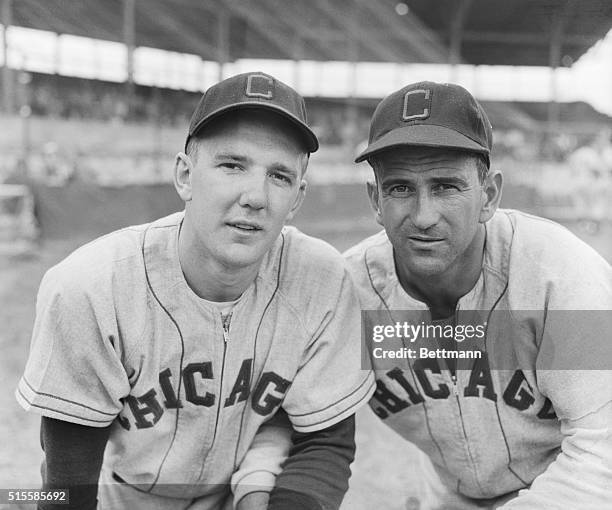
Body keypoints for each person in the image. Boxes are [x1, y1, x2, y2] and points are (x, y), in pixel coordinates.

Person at [16, 72, 375, 510]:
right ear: (185, 176)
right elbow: (67, 484)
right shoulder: (90, 288)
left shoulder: (322, 279)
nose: (255, 196)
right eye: (232, 165)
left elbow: (324, 442)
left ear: (297, 199)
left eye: (279, 176)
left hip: (247, 494)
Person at [344, 81, 612, 508]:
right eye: (400, 188)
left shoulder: (560, 276)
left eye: (446, 186)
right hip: (454, 497)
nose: (423, 216)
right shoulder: (350, 294)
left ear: (488, 195)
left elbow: (604, 454)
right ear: (376, 200)